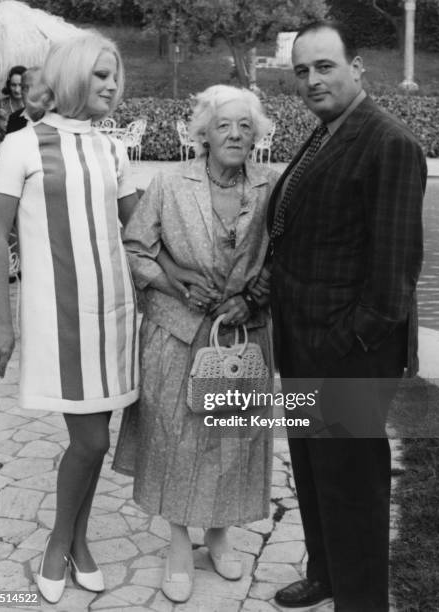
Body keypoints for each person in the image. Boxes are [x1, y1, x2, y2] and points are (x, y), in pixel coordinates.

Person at [267, 21, 426, 611]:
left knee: (353, 487)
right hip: (305, 346)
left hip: (348, 356)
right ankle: (326, 572)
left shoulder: (389, 143)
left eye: (324, 66)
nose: (311, 80)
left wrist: (341, 346)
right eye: (302, 70)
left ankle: (360, 600)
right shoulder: (326, 133)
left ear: (356, 67)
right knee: (313, 472)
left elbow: (393, 279)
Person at [0, 34, 139, 604]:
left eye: (115, 75)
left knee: (95, 440)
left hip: (113, 313)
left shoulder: (113, 150)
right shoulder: (22, 146)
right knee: (91, 440)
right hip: (59, 316)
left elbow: (139, 231)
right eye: (100, 75)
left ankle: (75, 539)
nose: (111, 85)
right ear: (73, 78)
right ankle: (60, 540)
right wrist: (1, 322)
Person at [113, 84, 277, 603]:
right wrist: (174, 279)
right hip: (177, 333)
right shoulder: (168, 183)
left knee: (233, 440)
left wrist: (253, 298)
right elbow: (137, 247)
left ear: (257, 136)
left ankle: (220, 536)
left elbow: (284, 259)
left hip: (240, 338)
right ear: (203, 132)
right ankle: (180, 545)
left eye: (245, 125)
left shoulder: (270, 188)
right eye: (223, 124)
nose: (234, 134)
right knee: (174, 439)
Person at [6, 67, 44, 134]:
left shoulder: (54, 119)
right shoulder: (13, 119)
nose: (29, 92)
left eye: (34, 87)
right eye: (24, 88)